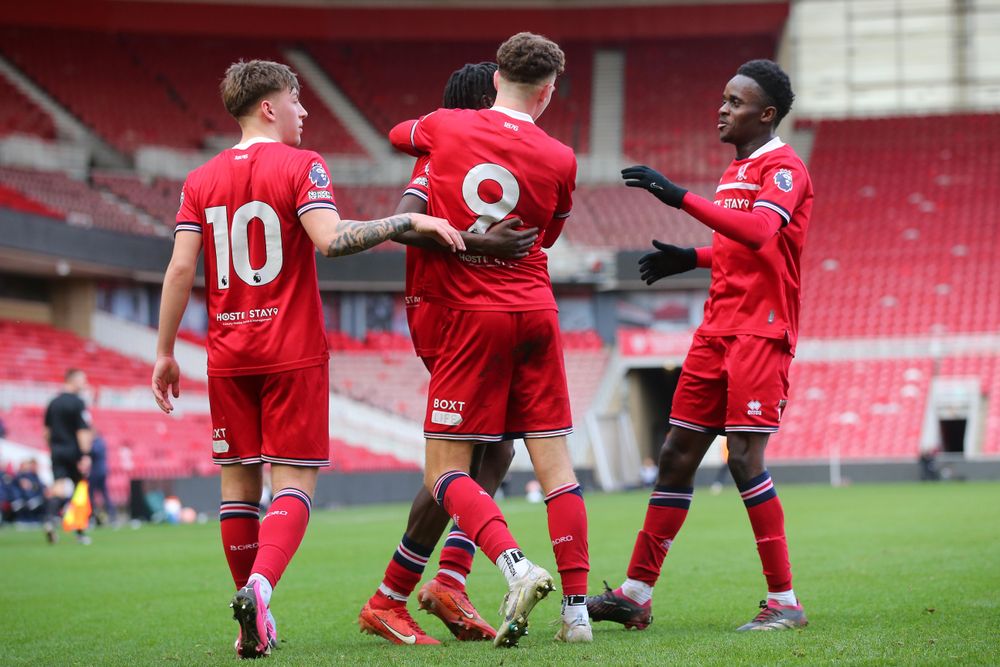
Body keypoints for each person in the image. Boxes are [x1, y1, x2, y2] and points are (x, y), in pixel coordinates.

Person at [151, 59, 461, 660]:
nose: (305, 113)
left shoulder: (199, 179)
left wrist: (165, 353)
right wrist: (408, 219)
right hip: (290, 351)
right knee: (293, 485)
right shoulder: (303, 164)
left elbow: (182, 270)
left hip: (227, 353)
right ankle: (261, 590)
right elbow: (331, 240)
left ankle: (248, 607)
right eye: (297, 102)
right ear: (269, 106)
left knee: (237, 490)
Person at [588, 59, 812, 632]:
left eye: (736, 102)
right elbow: (744, 247)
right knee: (675, 455)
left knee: (742, 458)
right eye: (722, 98)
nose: (723, 108)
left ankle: (784, 602)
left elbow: (764, 233)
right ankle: (636, 592)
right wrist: (693, 257)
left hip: (760, 331)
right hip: (715, 330)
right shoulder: (734, 174)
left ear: (765, 114)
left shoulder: (784, 168)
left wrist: (677, 197)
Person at [387, 32, 591, 647]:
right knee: (555, 470)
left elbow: (401, 135)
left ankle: (511, 565)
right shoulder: (561, 157)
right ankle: (576, 616)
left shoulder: (446, 129)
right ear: (549, 92)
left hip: (471, 315)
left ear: (495, 79)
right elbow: (548, 238)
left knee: (448, 468)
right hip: (537, 308)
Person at [359, 62, 537, 645]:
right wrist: (485, 242)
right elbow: (406, 224)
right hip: (447, 315)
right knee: (457, 463)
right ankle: (391, 596)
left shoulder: (478, 157)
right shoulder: (439, 155)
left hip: (477, 317)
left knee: (498, 452)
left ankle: (448, 581)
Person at [43, 368, 93, 545]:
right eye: (82, 379)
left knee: (58, 487)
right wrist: (85, 454)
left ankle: (49, 520)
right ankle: (80, 531)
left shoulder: (53, 403)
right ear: (72, 380)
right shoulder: (78, 403)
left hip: (57, 450)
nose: (85, 383)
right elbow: (82, 430)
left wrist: (53, 448)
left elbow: (46, 432)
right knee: (80, 489)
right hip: (73, 451)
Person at [88, 432, 116, 525]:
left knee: (92, 494)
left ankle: (94, 514)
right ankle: (109, 514)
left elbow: (93, 452)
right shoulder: (101, 442)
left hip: (97, 472)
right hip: (101, 471)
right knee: (103, 494)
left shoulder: (97, 443)